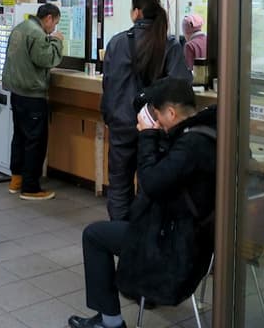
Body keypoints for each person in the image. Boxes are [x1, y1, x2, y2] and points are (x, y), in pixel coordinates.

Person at [68, 77, 217, 328]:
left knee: (94, 235)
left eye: (158, 116)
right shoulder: (209, 132)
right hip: (199, 241)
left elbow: (150, 183)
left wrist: (148, 135)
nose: (156, 121)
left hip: (174, 246)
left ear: (171, 112)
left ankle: (110, 322)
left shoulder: (191, 145)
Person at [101, 0, 192, 220]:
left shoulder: (116, 43)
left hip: (120, 125)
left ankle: (120, 238)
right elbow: (180, 86)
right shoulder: (169, 44)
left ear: (136, 13)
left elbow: (109, 86)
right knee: (148, 187)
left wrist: (109, 117)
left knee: (119, 185)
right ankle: (143, 243)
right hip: (154, 127)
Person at [1, 3, 64, 200]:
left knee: (19, 137)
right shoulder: (37, 34)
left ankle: (16, 179)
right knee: (35, 142)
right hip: (32, 94)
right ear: (49, 18)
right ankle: (31, 187)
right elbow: (46, 59)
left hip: (17, 92)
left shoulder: (20, 28)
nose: (53, 28)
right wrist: (57, 42)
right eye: (55, 24)